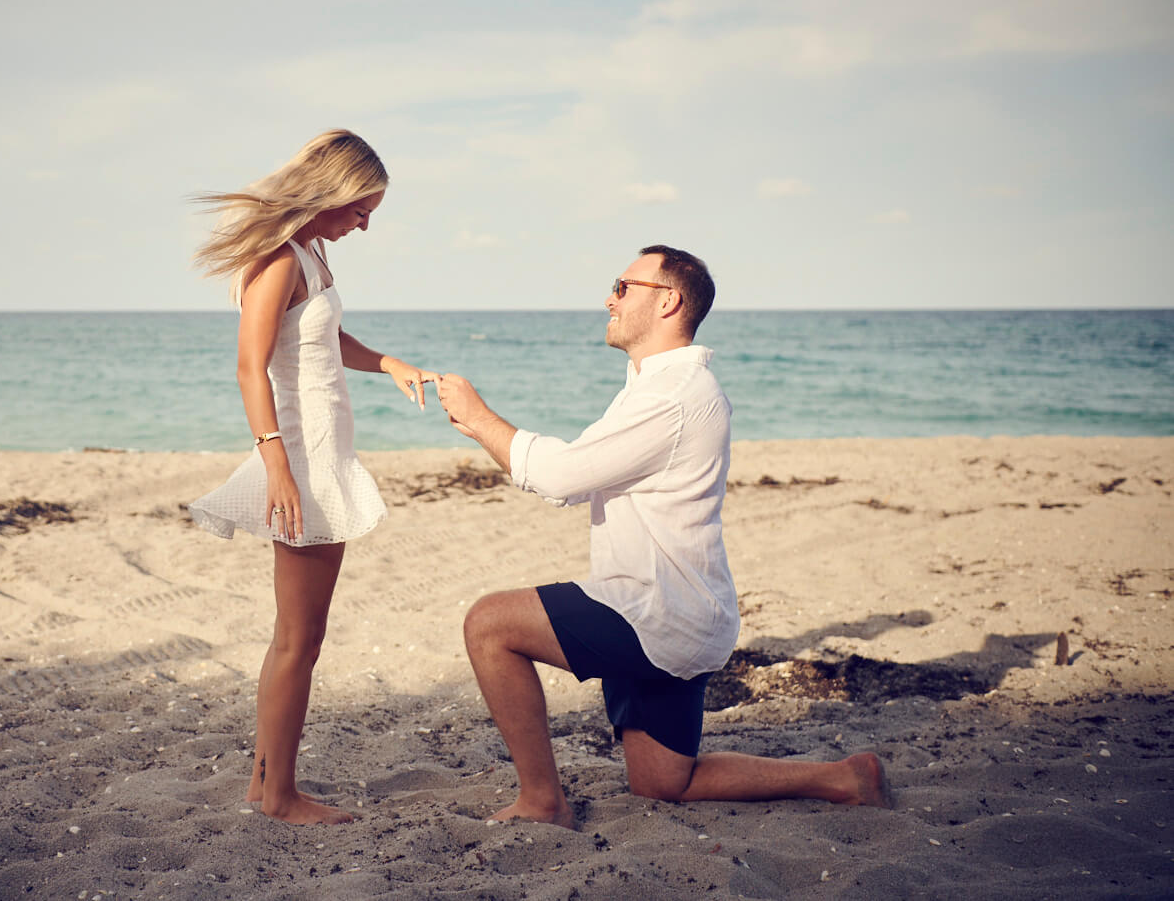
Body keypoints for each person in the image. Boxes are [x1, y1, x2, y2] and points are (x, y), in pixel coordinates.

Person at [435, 246, 891, 829]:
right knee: (661, 782)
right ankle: (844, 777)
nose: (609, 297)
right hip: (681, 611)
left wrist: (478, 418)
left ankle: (541, 802)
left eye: (623, 286)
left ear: (668, 300)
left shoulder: (672, 397)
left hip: (658, 611)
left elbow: (558, 477)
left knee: (490, 624)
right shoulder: (660, 387)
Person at [188, 129, 439, 825]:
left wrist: (389, 363)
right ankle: (281, 797)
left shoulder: (310, 252)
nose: (364, 224)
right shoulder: (277, 259)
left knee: (291, 635)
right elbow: (250, 364)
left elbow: (324, 340)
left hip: (317, 455)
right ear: (329, 194)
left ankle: (264, 781)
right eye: (361, 209)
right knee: (301, 639)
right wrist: (279, 468)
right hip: (302, 460)